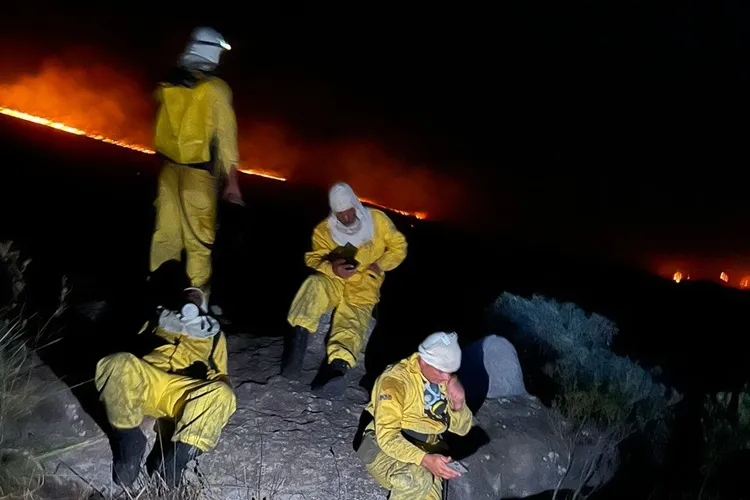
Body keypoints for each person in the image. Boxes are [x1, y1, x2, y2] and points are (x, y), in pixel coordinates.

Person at [95, 286, 236, 488]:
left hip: (182, 389)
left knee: (223, 394)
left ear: (203, 304)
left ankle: (173, 465)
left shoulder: (213, 334)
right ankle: (130, 444)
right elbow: (135, 344)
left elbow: (221, 373)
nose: (191, 295)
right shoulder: (158, 319)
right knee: (117, 363)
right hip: (150, 380)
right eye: (187, 293)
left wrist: (215, 401)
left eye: (196, 294)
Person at [282, 182, 408, 396]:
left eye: (349, 213)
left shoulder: (377, 221)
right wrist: (331, 267)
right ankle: (295, 353)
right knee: (314, 286)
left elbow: (399, 246)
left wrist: (379, 265)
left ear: (356, 206)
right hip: (336, 278)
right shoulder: (324, 230)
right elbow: (313, 258)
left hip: (364, 283)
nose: (347, 218)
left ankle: (336, 371)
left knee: (351, 318)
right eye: (341, 215)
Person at [150, 26, 243, 304]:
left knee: (164, 239)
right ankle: (196, 306)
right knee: (199, 245)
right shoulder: (215, 88)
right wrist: (233, 183)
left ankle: (158, 301)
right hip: (198, 177)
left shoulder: (167, 84)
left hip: (167, 172)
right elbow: (226, 137)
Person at [357, 332, 473, 500]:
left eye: (450, 372)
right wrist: (424, 459)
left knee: (427, 488)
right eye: (441, 371)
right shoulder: (394, 382)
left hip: (428, 449)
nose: (446, 377)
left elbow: (462, 429)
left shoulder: (443, 381)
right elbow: (387, 437)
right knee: (417, 480)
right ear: (424, 360)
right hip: (384, 450)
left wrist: (458, 404)